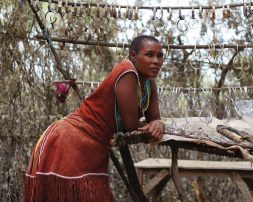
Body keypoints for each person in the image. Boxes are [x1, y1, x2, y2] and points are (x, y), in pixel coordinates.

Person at [24, 35, 165, 202]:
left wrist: (158, 123)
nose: (156, 60)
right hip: (70, 141)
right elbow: (130, 126)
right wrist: (152, 126)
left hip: (94, 146)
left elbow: (154, 119)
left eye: (160, 55)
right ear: (133, 56)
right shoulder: (128, 72)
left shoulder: (149, 83)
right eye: (149, 54)